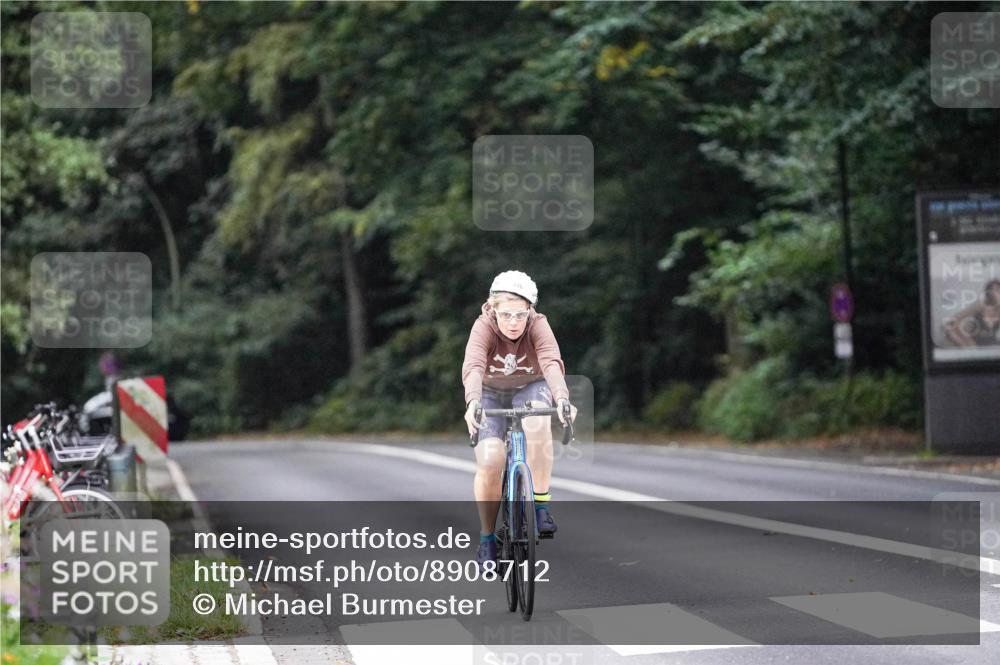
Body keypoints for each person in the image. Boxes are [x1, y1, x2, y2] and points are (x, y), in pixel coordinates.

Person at [462, 270, 576, 570]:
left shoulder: (538, 325)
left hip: (531, 386)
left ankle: (540, 505)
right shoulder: (483, 326)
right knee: (489, 460)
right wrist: (473, 401)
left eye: (520, 315)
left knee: (537, 422)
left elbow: (551, 362)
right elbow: (473, 365)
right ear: (493, 309)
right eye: (507, 315)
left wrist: (562, 399)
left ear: (530, 311)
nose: (513, 322)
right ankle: (487, 539)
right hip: (489, 393)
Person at [943, 279, 1000, 347]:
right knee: (949, 328)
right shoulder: (981, 305)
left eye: (998, 289)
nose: (996, 292)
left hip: (993, 345)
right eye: (993, 290)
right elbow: (955, 318)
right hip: (974, 343)